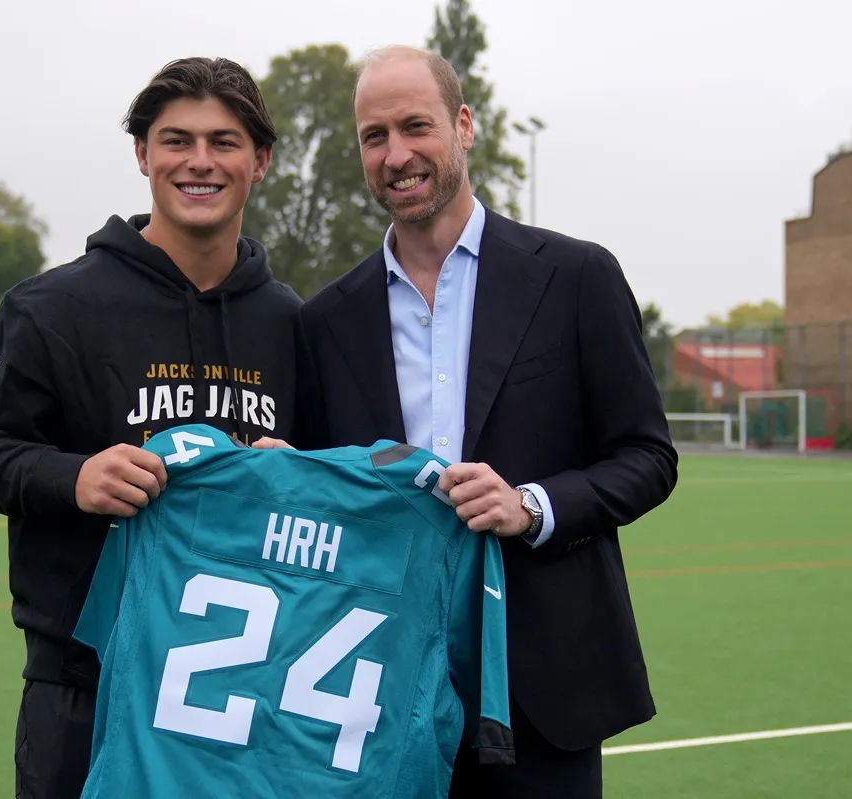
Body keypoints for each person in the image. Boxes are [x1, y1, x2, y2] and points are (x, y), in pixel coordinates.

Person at [275, 46, 679, 797]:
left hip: (542, 689)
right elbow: (325, 495)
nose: (396, 155)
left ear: (464, 126)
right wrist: (281, 471)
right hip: (378, 689)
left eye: (415, 127)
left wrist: (532, 506)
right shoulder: (327, 319)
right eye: (374, 136)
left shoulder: (577, 278)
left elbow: (648, 456)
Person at [0, 56, 314, 799]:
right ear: (142, 155)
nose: (199, 161)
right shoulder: (54, 306)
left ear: (260, 160)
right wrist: (75, 477)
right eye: (176, 140)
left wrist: (295, 473)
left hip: (248, 693)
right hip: (87, 687)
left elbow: (331, 477)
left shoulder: (292, 322)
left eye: (224, 141)